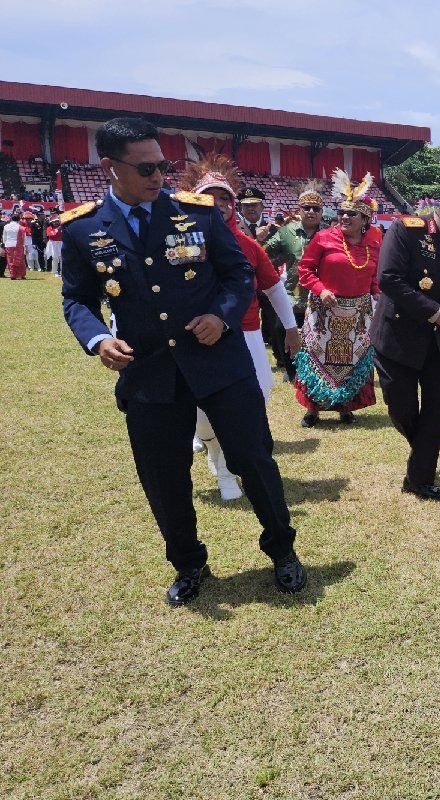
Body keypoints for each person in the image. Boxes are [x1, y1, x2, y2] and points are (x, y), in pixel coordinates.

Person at [60, 117, 305, 606]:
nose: (158, 177)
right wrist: (96, 341)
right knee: (164, 476)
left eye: (164, 165)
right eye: (146, 167)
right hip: (149, 374)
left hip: (220, 364)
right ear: (109, 168)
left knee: (253, 460)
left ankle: (282, 550)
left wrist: (221, 316)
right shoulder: (84, 228)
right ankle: (189, 563)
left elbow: (239, 276)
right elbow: (76, 299)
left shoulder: (198, 215)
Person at [178, 155, 302, 500]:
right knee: (202, 413)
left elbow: (273, 287)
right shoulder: (178, 242)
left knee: (254, 400)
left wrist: (291, 329)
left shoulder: (247, 244)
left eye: (224, 198)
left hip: (245, 334)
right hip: (197, 338)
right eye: (210, 198)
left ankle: (231, 470)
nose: (219, 206)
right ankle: (216, 456)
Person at [370, 185, 440, 501]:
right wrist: (433, 311)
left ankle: (419, 478)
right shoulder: (408, 230)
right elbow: (389, 279)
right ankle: (422, 457)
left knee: (437, 413)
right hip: (399, 340)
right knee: (403, 409)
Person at [294, 169, 381, 426]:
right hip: (324, 310)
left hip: (359, 312)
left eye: (351, 213)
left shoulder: (375, 240)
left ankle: (346, 408)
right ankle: (313, 410)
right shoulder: (324, 238)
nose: (343, 217)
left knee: (354, 358)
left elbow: (375, 277)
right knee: (316, 357)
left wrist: (380, 298)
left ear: (364, 218)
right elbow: (305, 270)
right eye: (341, 212)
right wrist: (321, 289)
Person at [265, 181, 327, 381]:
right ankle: (290, 371)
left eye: (315, 209)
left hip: (321, 296)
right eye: (306, 208)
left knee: (317, 335)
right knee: (281, 330)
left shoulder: (330, 234)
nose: (311, 212)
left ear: (321, 211)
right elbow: (264, 254)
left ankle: (316, 371)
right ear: (299, 210)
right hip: (291, 294)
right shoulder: (286, 232)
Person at [3, 212, 26, 280]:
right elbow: (23, 237)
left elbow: (4, 237)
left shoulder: (6, 226)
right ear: (19, 220)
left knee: (10, 260)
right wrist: (24, 246)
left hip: (8, 244)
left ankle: (13, 274)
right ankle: (21, 274)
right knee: (20, 260)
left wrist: (4, 244)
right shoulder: (21, 227)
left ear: (11, 219)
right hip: (18, 244)